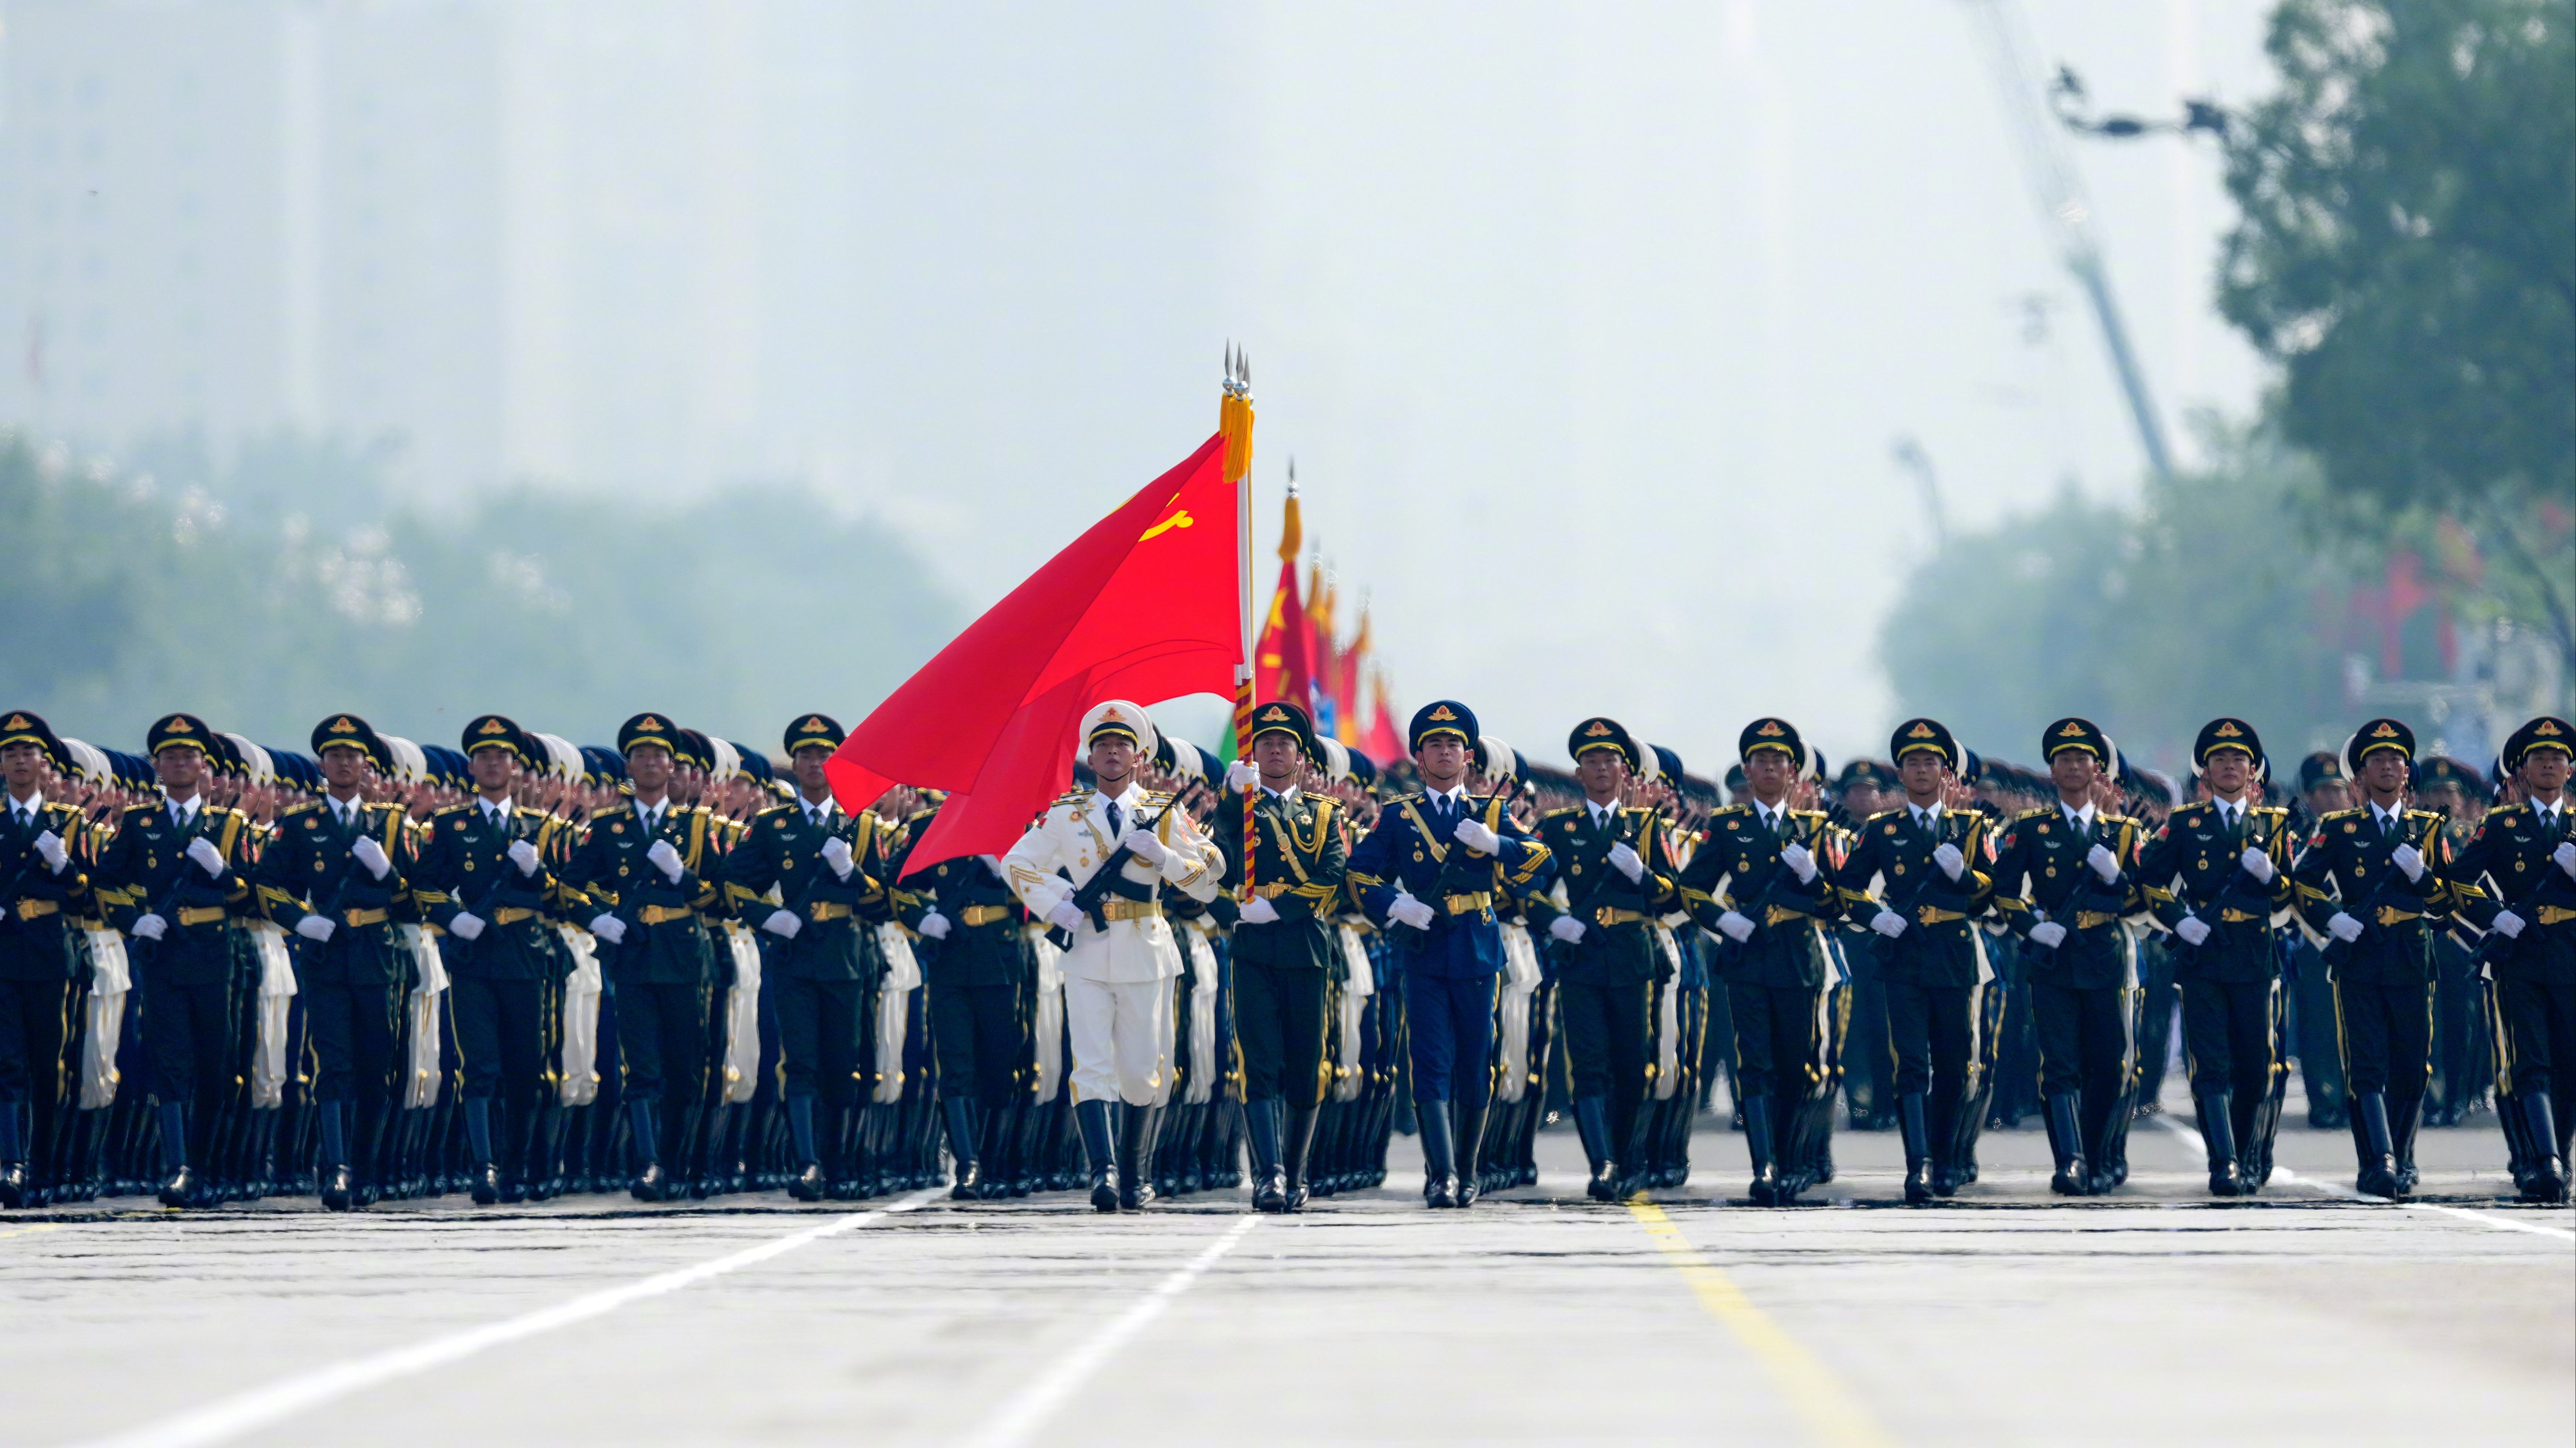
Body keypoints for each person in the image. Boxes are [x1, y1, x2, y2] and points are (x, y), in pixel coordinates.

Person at [1002, 701, 1221, 1212]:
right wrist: (1057, 905)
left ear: (1139, 755)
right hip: (1086, 952)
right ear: (1091, 754)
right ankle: (1101, 1172)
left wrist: (1164, 857)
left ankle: (1135, 1173)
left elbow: (1211, 879)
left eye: (1122, 744)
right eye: (1103, 745)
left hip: (1146, 948)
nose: (1112, 752)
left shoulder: (1163, 811)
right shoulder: (1067, 813)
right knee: (1091, 1065)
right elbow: (1017, 862)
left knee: (1144, 1068)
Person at [1347, 701, 1553, 1208]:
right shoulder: (1397, 817)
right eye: (1434, 745)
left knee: (1475, 1060)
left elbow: (1541, 864)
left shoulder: (1490, 813)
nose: (1445, 752)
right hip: (1425, 947)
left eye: (1453, 745)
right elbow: (1358, 873)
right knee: (1429, 1061)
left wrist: (1496, 844)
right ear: (1419, 758)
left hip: (1477, 948)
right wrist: (1395, 904)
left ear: (1467, 758)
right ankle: (1440, 1173)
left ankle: (1467, 1169)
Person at [409, 716, 579, 1205]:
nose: (492, 763)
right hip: (473, 957)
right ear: (472, 766)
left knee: (526, 1068)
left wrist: (539, 873)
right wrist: (451, 916)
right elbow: (425, 884)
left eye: (501, 756)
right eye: (483, 756)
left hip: (526, 959)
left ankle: (517, 1165)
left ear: (516, 767)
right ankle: (484, 1167)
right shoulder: (450, 826)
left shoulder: (541, 829)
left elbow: (565, 897)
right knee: (479, 1065)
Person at [723, 714, 890, 1202]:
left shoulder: (860, 825)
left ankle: (838, 1162)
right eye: (806, 756)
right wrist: (767, 916)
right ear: (794, 764)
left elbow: (881, 902)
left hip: (844, 958)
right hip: (794, 955)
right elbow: (734, 882)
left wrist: (851, 874)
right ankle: (808, 1164)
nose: (815, 763)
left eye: (824, 755)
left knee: (842, 1064)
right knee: (799, 1063)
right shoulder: (774, 825)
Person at [1829, 718, 1997, 1204]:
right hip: (1902, 955)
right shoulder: (1884, 830)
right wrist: (1874, 917)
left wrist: (1963, 876)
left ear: (1946, 774)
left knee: (1952, 1063)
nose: (1921, 770)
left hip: (1950, 955)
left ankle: (1945, 1158)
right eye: (1912, 763)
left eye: (1930, 763)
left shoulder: (1970, 828)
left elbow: (1989, 895)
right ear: (1900, 775)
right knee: (1910, 1064)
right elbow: (1847, 885)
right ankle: (1918, 1165)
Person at [94, 714, 257, 1208]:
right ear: (158, 768)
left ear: (204, 767)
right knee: (170, 1063)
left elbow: (252, 897)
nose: (180, 764)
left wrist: (222, 871)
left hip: (212, 959)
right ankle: (178, 1167)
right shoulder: (142, 823)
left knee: (214, 1065)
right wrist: (133, 921)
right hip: (163, 957)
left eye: (189, 756)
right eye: (170, 758)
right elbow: (105, 882)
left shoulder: (228, 825)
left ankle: (204, 1164)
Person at [1675, 718, 1840, 1205]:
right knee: (1755, 1064)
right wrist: (1721, 922)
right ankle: (1765, 1165)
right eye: (1760, 761)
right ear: (1747, 771)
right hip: (1747, 960)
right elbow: (1691, 888)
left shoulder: (1815, 829)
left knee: (1795, 1065)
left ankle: (1792, 1161)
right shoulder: (1728, 827)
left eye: (1778, 761)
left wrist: (1811, 878)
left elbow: (1837, 904)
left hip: (1796, 960)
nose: (1769, 768)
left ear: (1793, 773)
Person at [2286, 718, 2453, 1199]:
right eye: (2376, 760)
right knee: (2366, 1063)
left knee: (2411, 1063)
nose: (2387, 766)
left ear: (2406, 773)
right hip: (2359, 955)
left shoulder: (2426, 829)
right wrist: (2332, 920)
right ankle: (2377, 1158)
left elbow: (2444, 904)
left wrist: (2421, 877)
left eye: (2395, 760)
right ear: (2359, 778)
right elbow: (2304, 884)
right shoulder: (2338, 828)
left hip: (2410, 955)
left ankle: (2401, 1156)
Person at [1985, 718, 2147, 1196]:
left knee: (2108, 1061)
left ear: (2097, 771)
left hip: (2102, 957)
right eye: (2064, 760)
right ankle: (2070, 1161)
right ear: (2052, 771)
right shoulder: (2031, 829)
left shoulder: (2121, 834)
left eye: (2081, 760)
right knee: (2058, 1064)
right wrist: (2033, 926)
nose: (2073, 767)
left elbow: (2141, 901)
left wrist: (2116, 877)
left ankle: (2097, 1154)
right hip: (2052, 960)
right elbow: (2004, 892)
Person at [565, 713, 721, 1202]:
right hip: (632, 956)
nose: (651, 763)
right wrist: (597, 918)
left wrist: (683, 878)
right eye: (641, 755)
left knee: (685, 1066)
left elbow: (722, 899)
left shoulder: (696, 828)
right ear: (629, 766)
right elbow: (569, 886)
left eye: (659, 755)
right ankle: (650, 1162)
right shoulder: (609, 828)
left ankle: (681, 1159)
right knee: (642, 1065)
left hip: (681, 956)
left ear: (673, 767)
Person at [1209, 701, 1350, 1212]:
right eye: (1265, 742)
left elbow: (1331, 873)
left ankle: (1296, 1172)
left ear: (1301, 756)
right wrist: (1229, 798)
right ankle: (1267, 1175)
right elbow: (1219, 864)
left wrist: (1282, 908)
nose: (1274, 749)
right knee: (1258, 1062)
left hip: (1304, 946)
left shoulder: (1324, 813)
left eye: (1284, 743)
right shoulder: (1240, 809)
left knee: (1307, 1063)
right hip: (1251, 948)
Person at [2444, 716, 2574, 1203]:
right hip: (2520, 957)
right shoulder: (2501, 825)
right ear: (2521, 773)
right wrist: (2493, 916)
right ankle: (2544, 1161)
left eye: (2557, 758)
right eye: (2538, 758)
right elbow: (2458, 880)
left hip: (2571, 956)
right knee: (2531, 1063)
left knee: (2569, 1064)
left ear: (2569, 769)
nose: (2548, 765)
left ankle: (2558, 1153)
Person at [0, 712, 93, 1209]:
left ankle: (43, 1163)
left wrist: (63, 864)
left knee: (45, 1063)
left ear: (43, 763)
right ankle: (11, 1163)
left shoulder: (68, 823)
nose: (19, 761)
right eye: (10, 752)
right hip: (2, 954)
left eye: (27, 753)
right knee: (7, 1060)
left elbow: (85, 897)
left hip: (46, 954)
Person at [2289, 751, 2353, 1130]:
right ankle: (2324, 1097)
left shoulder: (2356, 831)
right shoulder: (2296, 835)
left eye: (2338, 789)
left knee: (2356, 1025)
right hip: (2313, 945)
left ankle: (2354, 1095)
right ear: (2308, 796)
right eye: (2323, 790)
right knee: (2319, 1027)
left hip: (2356, 942)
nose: (2332, 797)